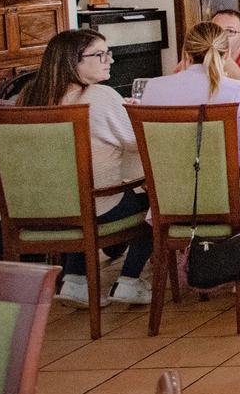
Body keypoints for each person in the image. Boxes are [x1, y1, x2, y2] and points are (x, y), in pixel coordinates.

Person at [140, 22, 240, 299]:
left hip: (173, 200)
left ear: (185, 54)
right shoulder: (236, 91)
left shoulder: (153, 90)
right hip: (228, 200)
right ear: (227, 56)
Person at [18, 29, 153, 307]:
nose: (110, 60)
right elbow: (137, 142)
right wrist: (135, 114)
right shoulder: (99, 96)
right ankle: (129, 281)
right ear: (72, 61)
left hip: (35, 209)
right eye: (99, 54)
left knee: (75, 189)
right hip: (94, 208)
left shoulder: (29, 97)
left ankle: (75, 279)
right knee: (158, 203)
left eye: (108, 53)